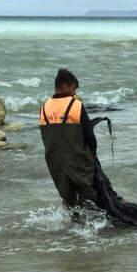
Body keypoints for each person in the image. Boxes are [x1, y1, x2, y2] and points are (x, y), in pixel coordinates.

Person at [39, 68, 99, 211]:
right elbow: (89, 135)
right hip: (77, 160)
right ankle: (92, 229)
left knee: (68, 200)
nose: (74, 93)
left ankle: (71, 228)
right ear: (65, 86)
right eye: (73, 89)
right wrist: (93, 153)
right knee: (88, 197)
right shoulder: (76, 105)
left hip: (54, 162)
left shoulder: (44, 107)